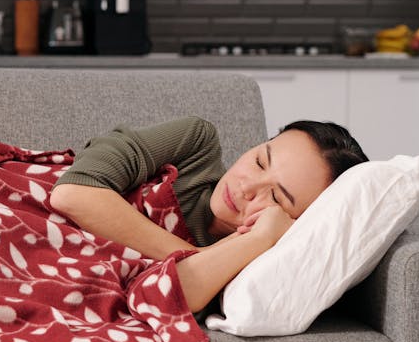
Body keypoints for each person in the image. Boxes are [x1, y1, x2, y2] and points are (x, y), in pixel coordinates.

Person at [49, 116, 369, 314]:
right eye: (259, 161)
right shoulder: (195, 145)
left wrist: (261, 238)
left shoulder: (261, 264)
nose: (247, 186)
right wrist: (197, 255)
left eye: (275, 196)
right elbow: (73, 193)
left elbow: (182, 293)